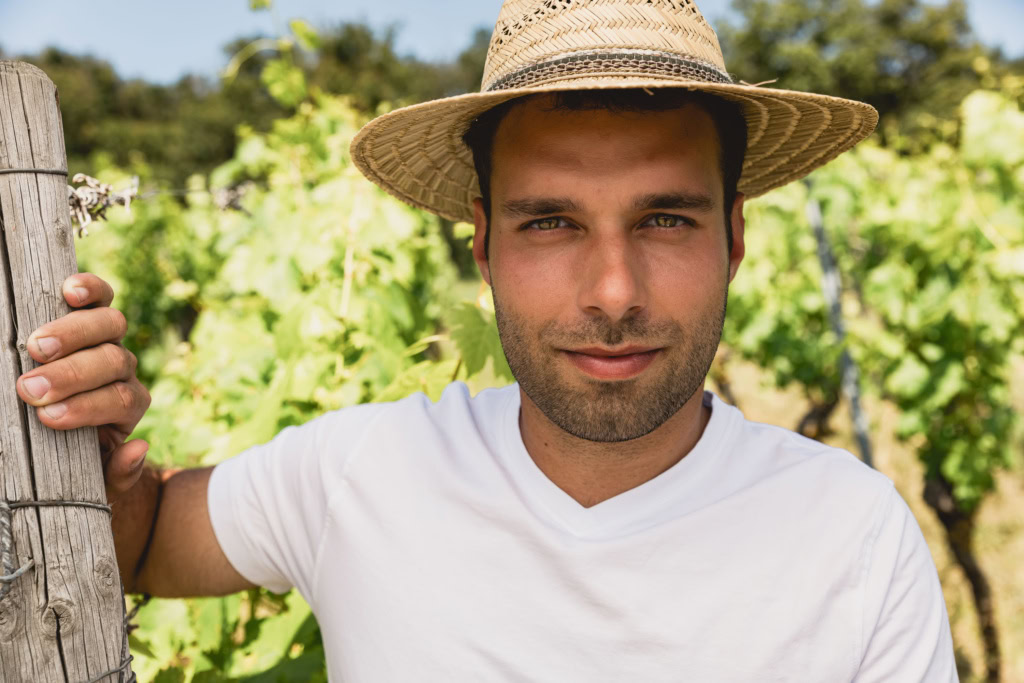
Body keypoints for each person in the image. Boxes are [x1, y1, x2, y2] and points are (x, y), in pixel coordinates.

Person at [15, 0, 957, 680]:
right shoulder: (360, 472)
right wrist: (81, 444)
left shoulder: (854, 537)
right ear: (484, 243)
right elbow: (138, 545)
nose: (614, 292)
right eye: (550, 222)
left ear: (735, 239)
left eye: (665, 219)